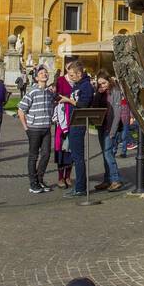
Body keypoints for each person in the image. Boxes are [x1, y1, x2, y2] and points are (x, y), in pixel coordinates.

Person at [17, 64, 56, 193]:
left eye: (45, 73)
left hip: (46, 128)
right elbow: (21, 110)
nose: (44, 75)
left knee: (45, 154)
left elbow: (54, 104)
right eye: (41, 73)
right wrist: (26, 128)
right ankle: (33, 183)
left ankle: (39, 179)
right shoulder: (32, 92)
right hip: (34, 129)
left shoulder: (50, 93)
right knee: (33, 156)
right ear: (36, 78)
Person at [60, 59, 95, 198]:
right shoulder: (78, 84)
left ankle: (80, 188)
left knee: (78, 157)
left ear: (79, 73)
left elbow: (83, 105)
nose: (71, 78)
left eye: (72, 75)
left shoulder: (85, 86)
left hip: (79, 124)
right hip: (73, 123)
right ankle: (80, 186)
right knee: (75, 156)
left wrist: (68, 100)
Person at [91, 72, 125, 191]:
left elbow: (117, 112)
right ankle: (107, 180)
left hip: (110, 127)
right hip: (101, 126)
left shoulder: (115, 91)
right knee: (106, 154)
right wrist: (98, 95)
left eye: (104, 83)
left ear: (109, 81)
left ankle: (115, 179)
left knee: (108, 153)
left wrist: (113, 130)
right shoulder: (99, 92)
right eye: (100, 84)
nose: (102, 85)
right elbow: (94, 107)